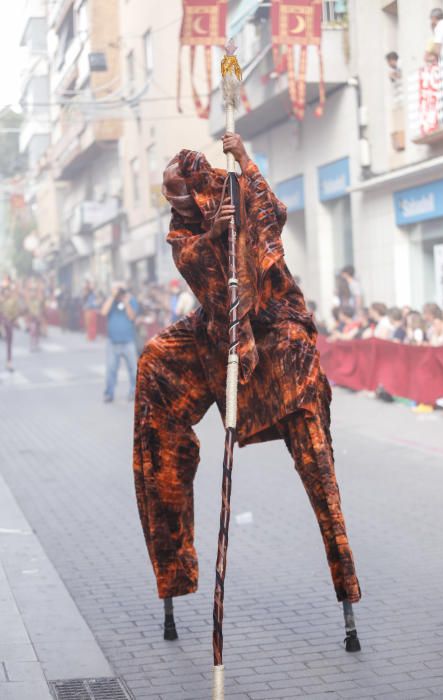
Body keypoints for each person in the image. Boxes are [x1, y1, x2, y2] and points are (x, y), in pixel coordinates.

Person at [133, 134, 361, 609]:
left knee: (310, 430)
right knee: (155, 361)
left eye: (178, 196)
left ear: (197, 190)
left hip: (271, 318)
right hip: (219, 326)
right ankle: (173, 564)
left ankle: (344, 574)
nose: (173, 206)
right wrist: (214, 237)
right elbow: (195, 265)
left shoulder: (233, 190)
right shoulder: (183, 229)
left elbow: (272, 213)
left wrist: (244, 159)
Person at [101, 282, 139, 403]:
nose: (119, 292)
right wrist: (113, 297)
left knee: (133, 369)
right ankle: (109, 393)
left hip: (128, 341)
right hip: (113, 342)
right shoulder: (111, 301)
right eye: (117, 289)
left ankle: (134, 392)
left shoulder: (131, 300)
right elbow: (103, 312)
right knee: (111, 369)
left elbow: (132, 317)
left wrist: (125, 302)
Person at [0, 281, 20, 371]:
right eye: (5, 291)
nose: (6, 292)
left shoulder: (13, 300)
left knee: (9, 345)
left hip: (9, 324)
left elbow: (16, 312)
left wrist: (14, 319)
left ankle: (9, 362)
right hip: (2, 324)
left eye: (8, 290)